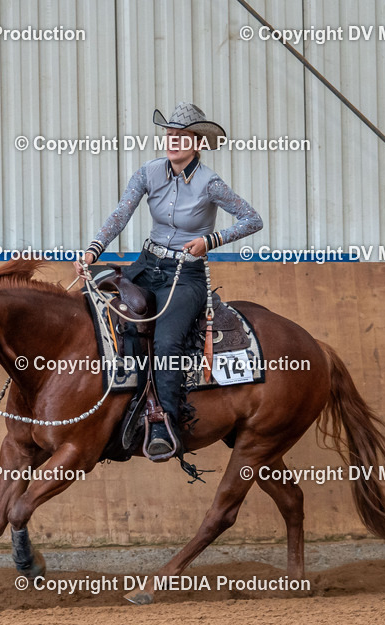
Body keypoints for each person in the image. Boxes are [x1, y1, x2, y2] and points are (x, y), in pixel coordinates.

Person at [77, 102, 262, 459]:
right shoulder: (148, 172)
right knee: (100, 308)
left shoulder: (210, 183)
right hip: (147, 265)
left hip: (185, 275)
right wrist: (93, 250)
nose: (172, 141)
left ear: (197, 143)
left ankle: (165, 424)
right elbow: (121, 213)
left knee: (166, 341)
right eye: (169, 134)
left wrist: (211, 241)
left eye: (181, 136)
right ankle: (117, 409)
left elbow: (252, 219)